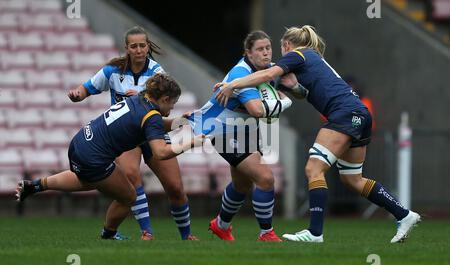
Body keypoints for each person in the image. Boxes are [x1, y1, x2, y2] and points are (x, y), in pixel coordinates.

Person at [214, 25, 421, 243]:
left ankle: (315, 232)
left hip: (344, 114)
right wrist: (295, 87)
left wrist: (232, 85)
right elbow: (307, 93)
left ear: (286, 45)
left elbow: (268, 73)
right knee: (353, 179)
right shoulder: (311, 57)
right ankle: (405, 215)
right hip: (358, 113)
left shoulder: (297, 54)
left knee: (314, 168)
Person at [16, 74, 205, 240]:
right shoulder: (151, 115)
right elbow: (161, 152)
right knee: (129, 197)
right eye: (172, 104)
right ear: (164, 99)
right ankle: (109, 234)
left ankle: (35, 186)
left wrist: (181, 122)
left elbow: (152, 124)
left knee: (90, 181)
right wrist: (190, 144)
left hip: (80, 142)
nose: (172, 108)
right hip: (94, 157)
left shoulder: (139, 99)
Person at [68, 26, 191, 240]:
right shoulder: (112, 71)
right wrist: (78, 94)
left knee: (175, 187)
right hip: (127, 136)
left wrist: (142, 97)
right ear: (127, 48)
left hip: (152, 130)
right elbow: (88, 87)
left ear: (147, 46)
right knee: (132, 176)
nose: (139, 50)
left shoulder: (157, 72)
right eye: (133, 46)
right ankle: (147, 232)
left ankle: (186, 235)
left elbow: (164, 102)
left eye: (142, 45)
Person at [187, 31, 305, 242]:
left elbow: (299, 92)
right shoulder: (240, 74)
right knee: (265, 178)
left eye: (268, 48)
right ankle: (266, 233)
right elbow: (257, 110)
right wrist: (285, 102)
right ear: (248, 53)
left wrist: (295, 87)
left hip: (245, 127)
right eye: (260, 49)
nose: (266, 53)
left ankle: (220, 226)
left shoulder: (270, 69)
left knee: (242, 185)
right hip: (221, 127)